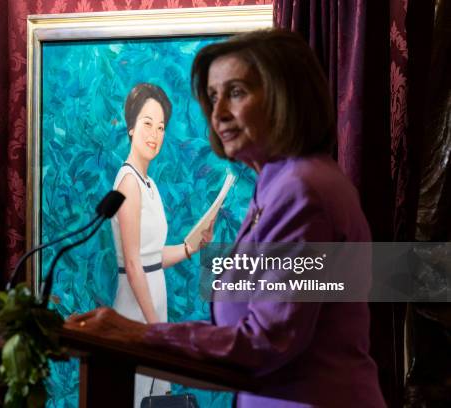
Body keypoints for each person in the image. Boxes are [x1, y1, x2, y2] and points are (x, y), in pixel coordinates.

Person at [67, 30, 386, 408]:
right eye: (213, 97)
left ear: (285, 94)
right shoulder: (279, 183)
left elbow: (266, 341)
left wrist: (140, 335)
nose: (218, 114)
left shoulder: (303, 192)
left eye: (235, 92)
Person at [111, 83, 214, 406]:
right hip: (136, 310)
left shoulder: (149, 184)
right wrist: (157, 329)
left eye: (161, 127)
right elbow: (133, 262)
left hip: (154, 306)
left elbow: (151, 256)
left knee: (157, 400)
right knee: (138, 395)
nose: (154, 134)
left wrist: (189, 247)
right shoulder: (128, 183)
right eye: (147, 123)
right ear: (130, 127)